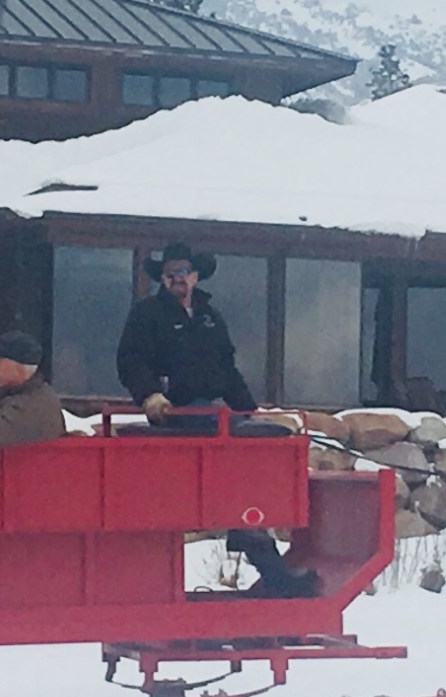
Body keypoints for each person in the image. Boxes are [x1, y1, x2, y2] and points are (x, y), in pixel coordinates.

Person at [116, 242, 317, 598]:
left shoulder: (210, 316)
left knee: (263, 440)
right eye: (170, 273)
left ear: (195, 276)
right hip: (176, 414)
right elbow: (130, 360)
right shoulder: (147, 314)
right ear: (162, 278)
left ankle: (253, 532)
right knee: (240, 464)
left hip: (212, 411)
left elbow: (226, 369)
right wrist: (150, 396)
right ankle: (263, 552)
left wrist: (249, 410)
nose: (177, 278)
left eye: (183, 272)